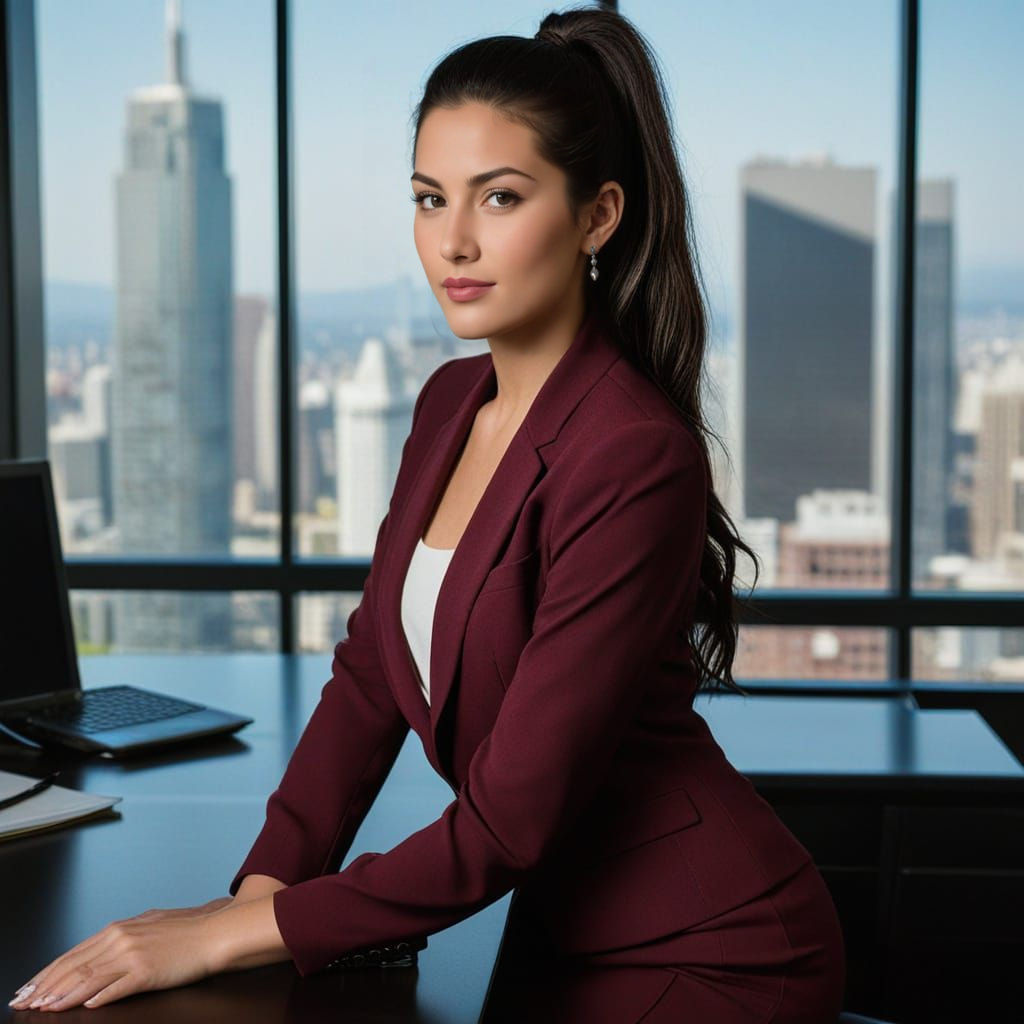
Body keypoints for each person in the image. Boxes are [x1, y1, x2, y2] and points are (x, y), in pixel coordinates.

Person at [9, 6, 846, 1020]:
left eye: (499, 197)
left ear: (598, 215)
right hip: (551, 928)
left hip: (711, 949)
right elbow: (370, 675)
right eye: (427, 197)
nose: (452, 239)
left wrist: (244, 932)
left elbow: (509, 818)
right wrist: (267, 884)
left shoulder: (633, 453)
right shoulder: (450, 403)